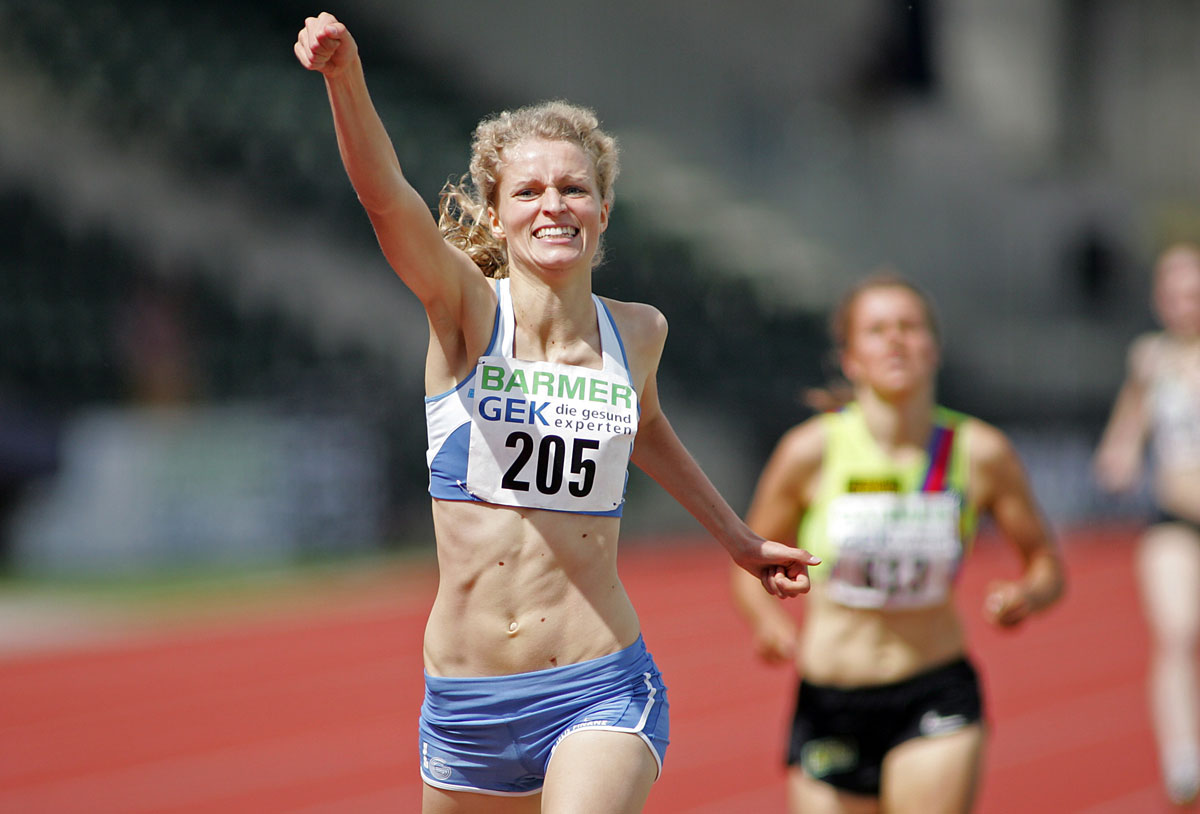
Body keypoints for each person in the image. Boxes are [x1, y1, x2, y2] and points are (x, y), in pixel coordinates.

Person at [293, 12, 819, 813]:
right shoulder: (465, 312)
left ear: (604, 208)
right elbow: (385, 201)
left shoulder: (637, 331)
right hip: (465, 704)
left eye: (575, 188)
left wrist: (738, 540)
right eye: (529, 191)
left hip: (597, 682)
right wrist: (346, 78)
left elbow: (644, 428)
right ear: (497, 213)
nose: (554, 206)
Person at [730, 271, 1065, 814]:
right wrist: (767, 624)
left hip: (933, 692)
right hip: (831, 699)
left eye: (910, 327)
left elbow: (1046, 561)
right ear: (850, 358)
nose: (896, 339)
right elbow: (747, 559)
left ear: (933, 348)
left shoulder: (979, 452)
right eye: (878, 329)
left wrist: (1029, 594)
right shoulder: (809, 451)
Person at [1094, 243, 1200, 806]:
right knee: (1177, 633)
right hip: (1173, 522)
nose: (1187, 305)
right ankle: (1183, 759)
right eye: (1176, 294)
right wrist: (1120, 453)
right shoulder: (1149, 358)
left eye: (1195, 293)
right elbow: (1128, 425)